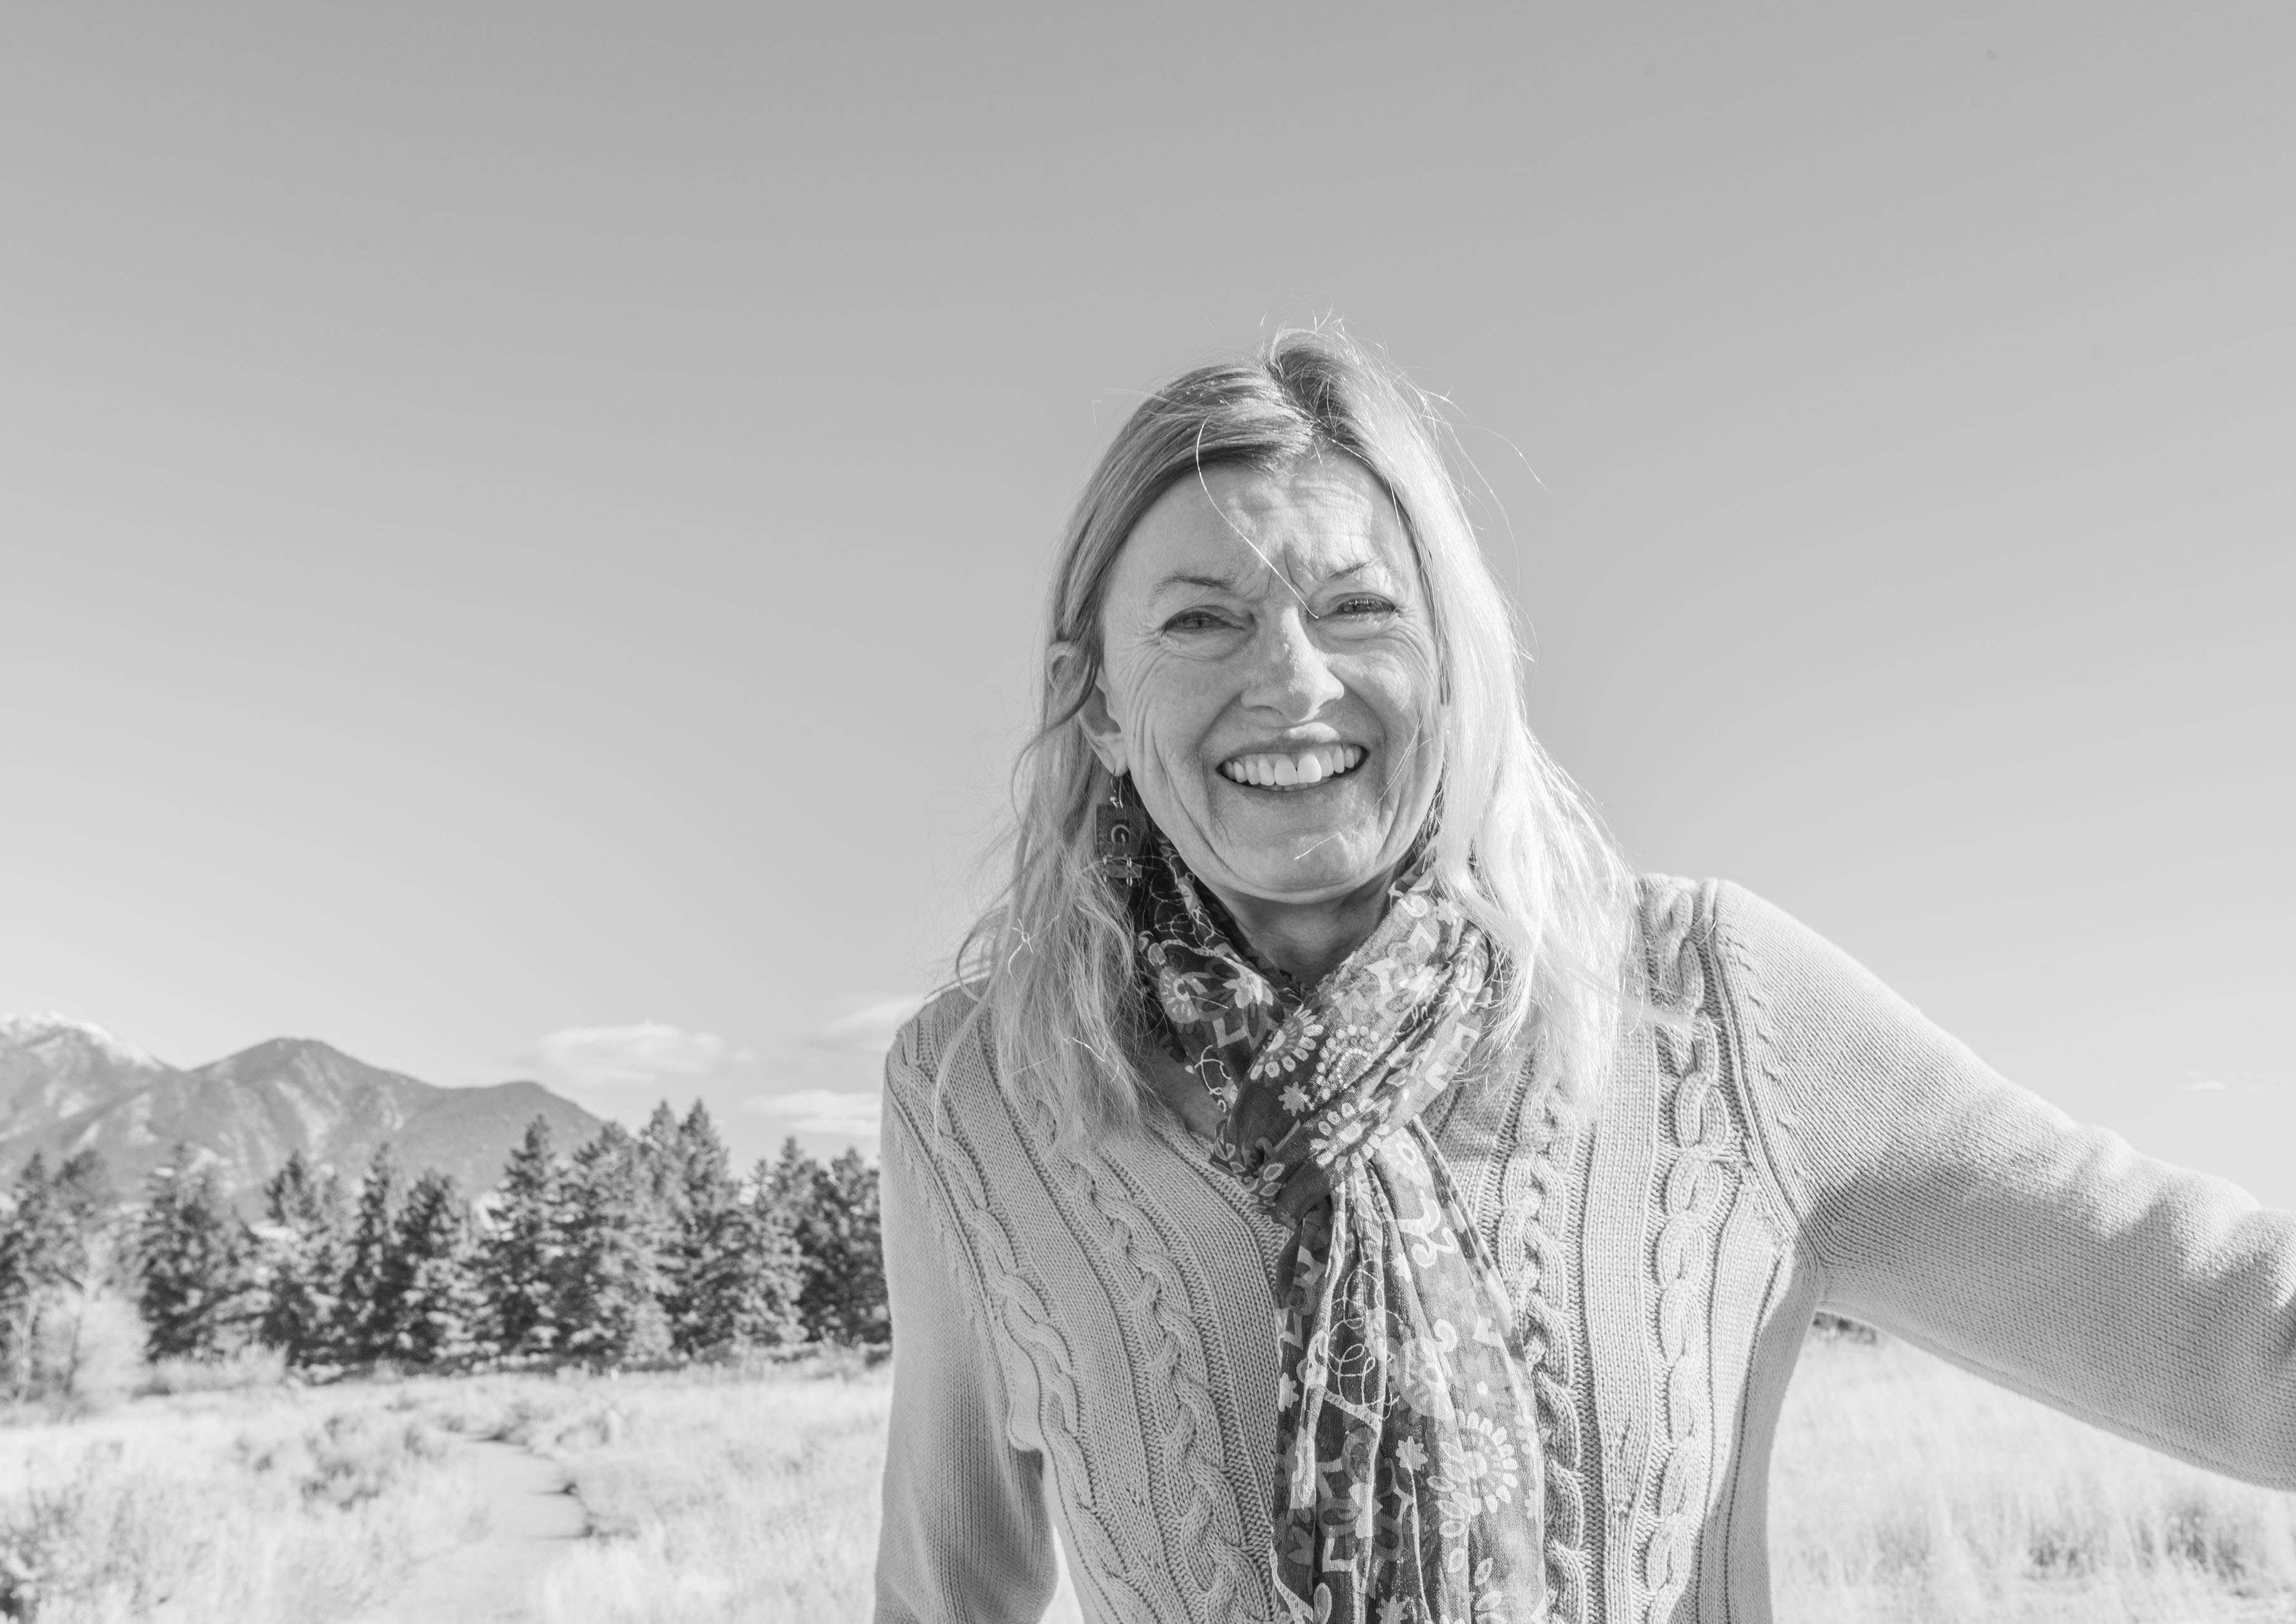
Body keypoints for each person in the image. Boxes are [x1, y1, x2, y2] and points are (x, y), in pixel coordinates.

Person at [870, 327, 2296, 1624]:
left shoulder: (1706, 1002)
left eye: (1359, 608)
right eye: (1200, 620)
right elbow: (943, 1597)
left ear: (1454, 664)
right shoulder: (978, 1092)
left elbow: (2215, 1316)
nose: (1294, 680)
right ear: (1097, 705)